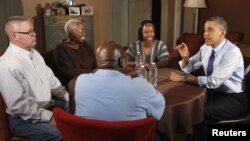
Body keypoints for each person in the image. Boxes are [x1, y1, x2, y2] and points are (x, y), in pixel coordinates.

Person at [169, 16, 248, 140]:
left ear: (222, 32)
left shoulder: (232, 52)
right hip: (212, 92)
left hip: (234, 97)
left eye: (210, 30)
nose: (205, 34)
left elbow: (214, 81)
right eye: (205, 30)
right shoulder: (205, 48)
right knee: (190, 106)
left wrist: (185, 79)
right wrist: (185, 58)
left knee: (201, 112)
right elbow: (189, 68)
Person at [0, 16, 69, 141]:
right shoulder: (7, 64)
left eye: (33, 30)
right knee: (61, 134)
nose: (35, 34)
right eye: (29, 32)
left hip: (47, 106)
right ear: (14, 36)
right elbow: (19, 106)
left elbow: (52, 82)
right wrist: (49, 117)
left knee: (79, 112)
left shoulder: (35, 53)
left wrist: (68, 98)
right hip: (22, 119)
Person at [75, 41, 165, 121]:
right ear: (122, 62)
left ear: (98, 62)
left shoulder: (81, 81)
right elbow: (159, 110)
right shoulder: (141, 86)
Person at [54, 19, 97, 87]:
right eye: (81, 31)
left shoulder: (85, 44)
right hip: (74, 84)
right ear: (71, 32)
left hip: (90, 80)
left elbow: (95, 61)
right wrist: (92, 72)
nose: (84, 33)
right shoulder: (61, 49)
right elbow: (69, 71)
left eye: (84, 30)